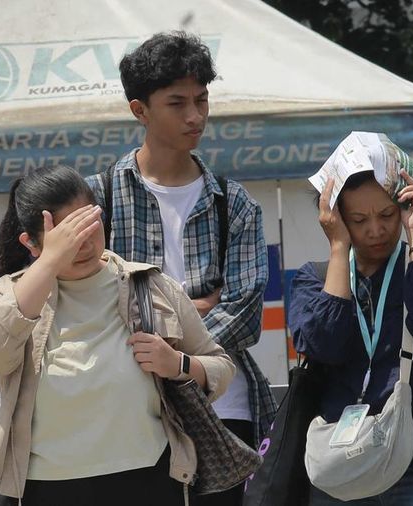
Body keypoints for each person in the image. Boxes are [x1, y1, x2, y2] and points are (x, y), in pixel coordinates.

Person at [0, 165, 235, 505]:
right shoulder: (7, 294)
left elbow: (221, 367)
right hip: (41, 487)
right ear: (31, 243)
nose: (82, 243)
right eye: (66, 234)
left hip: (147, 478)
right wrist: (48, 264)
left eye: (88, 224)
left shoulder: (152, 286)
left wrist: (179, 364)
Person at [84, 31, 275, 505]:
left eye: (202, 100)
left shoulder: (235, 204)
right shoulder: (99, 199)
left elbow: (246, 314)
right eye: (177, 103)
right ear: (139, 110)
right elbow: (87, 301)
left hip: (221, 408)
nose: (195, 116)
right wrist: (189, 316)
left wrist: (166, 342)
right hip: (128, 408)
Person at [288, 168, 413, 505]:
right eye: (358, 219)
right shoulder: (314, 279)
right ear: (336, 218)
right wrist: (338, 249)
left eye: (387, 214)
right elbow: (323, 347)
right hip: (342, 465)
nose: (375, 230)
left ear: (404, 205)